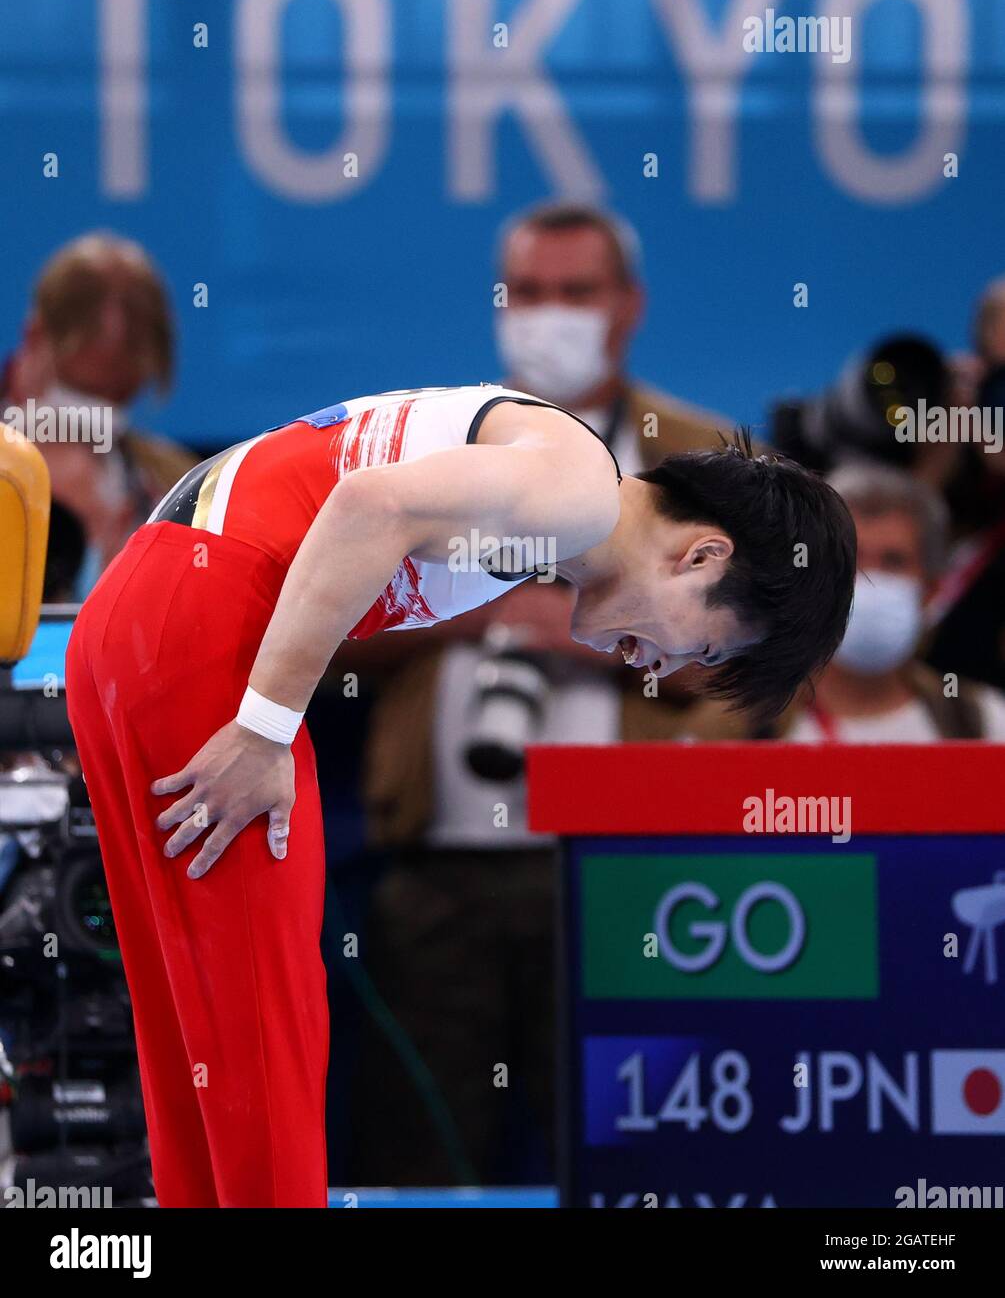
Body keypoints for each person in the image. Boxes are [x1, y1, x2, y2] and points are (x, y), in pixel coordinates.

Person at [64, 382, 856, 1207]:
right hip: (203, 620)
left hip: (132, 619)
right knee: (264, 1024)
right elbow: (369, 504)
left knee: (191, 1023)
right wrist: (264, 726)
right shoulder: (579, 493)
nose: (664, 669)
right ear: (703, 555)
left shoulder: (548, 494)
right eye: (705, 643)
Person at [350, 203, 742, 1185]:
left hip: (623, 872)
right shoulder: (428, 445)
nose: (550, 313)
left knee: (626, 1156)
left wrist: (597, 622)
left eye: (577, 291)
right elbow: (341, 621)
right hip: (436, 868)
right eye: (529, 292)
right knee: (420, 1159)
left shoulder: (703, 460)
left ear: (629, 306)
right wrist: (491, 610)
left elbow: (751, 656)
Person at [685, 462, 1005, 743]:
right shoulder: (732, 729)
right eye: (852, 559)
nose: (869, 579)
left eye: (893, 561)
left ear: (933, 589)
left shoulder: (982, 723)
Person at [2, 232, 197, 592]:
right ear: (34, 339)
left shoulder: (178, 485)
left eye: (116, 397)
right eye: (80, 395)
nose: (97, 423)